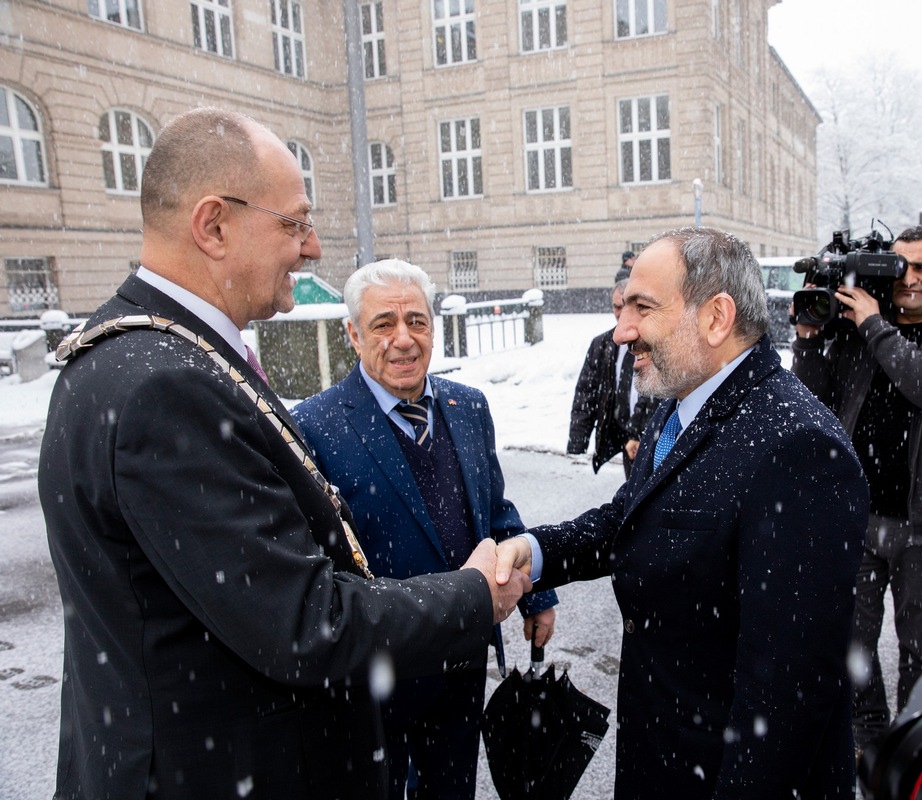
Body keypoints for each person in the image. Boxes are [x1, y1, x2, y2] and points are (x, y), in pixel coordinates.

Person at [38, 107, 529, 800]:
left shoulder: (150, 358)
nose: (313, 247)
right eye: (294, 223)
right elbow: (304, 623)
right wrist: (474, 594)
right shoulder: (165, 385)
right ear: (213, 226)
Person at [496, 227, 868, 798]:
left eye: (642, 308)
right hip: (663, 757)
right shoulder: (682, 399)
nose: (622, 332)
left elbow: (786, 697)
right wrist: (538, 549)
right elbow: (636, 516)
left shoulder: (797, 447)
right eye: (623, 308)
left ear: (717, 317)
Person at [292, 259, 559, 800]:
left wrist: (537, 597)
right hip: (376, 663)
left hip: (461, 655)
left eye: (416, 321)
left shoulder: (468, 407)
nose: (403, 340)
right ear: (353, 334)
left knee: (452, 787)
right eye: (383, 324)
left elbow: (493, 509)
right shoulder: (315, 426)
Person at [790, 225, 922, 752]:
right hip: (856, 521)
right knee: (852, 645)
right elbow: (813, 401)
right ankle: (870, 742)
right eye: (899, 266)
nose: (908, 278)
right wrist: (811, 341)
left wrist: (876, 326)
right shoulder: (859, 328)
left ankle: (918, 744)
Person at [567, 278, 658, 477]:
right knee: (633, 497)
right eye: (616, 306)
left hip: (653, 436)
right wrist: (578, 439)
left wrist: (642, 432)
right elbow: (586, 393)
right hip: (624, 436)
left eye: (626, 306)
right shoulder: (603, 345)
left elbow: (659, 393)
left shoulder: (657, 341)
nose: (621, 313)